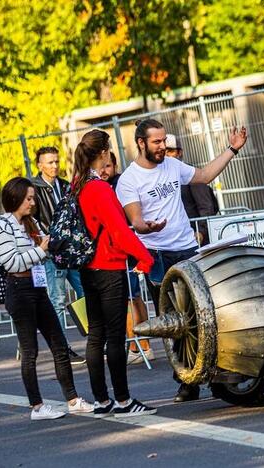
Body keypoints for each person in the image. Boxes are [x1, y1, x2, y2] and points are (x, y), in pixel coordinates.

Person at [116, 118, 247, 402]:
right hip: (157, 255)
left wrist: (232, 150)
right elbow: (135, 219)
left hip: (187, 248)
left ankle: (214, 376)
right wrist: (146, 226)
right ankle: (187, 381)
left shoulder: (172, 166)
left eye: (165, 141)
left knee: (204, 314)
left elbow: (203, 175)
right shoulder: (129, 180)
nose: (163, 147)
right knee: (173, 322)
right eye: (157, 142)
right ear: (141, 143)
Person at [0, 177, 94, 420]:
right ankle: (36, 406)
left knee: (59, 344)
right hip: (18, 288)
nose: (32, 202)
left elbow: (43, 248)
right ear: (15, 199)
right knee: (30, 351)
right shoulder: (2, 226)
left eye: (33, 197)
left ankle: (73, 399)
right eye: (28, 198)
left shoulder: (31, 222)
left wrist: (50, 246)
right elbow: (11, 262)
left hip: (37, 287)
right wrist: (41, 250)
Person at [72, 129, 157, 418]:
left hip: (87, 267)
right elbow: (119, 231)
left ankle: (101, 400)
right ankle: (123, 400)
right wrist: (144, 257)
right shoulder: (99, 189)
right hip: (108, 267)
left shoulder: (78, 185)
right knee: (115, 336)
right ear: (104, 153)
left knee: (95, 335)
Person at [30, 146, 85, 365]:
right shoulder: (34, 188)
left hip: (72, 250)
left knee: (85, 291)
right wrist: (44, 243)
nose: (54, 165)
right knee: (57, 299)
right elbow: (32, 220)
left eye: (56, 161)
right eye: (49, 162)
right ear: (40, 165)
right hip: (52, 253)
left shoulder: (65, 185)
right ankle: (62, 348)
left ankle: (96, 339)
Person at [102, 151, 153, 364]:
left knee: (131, 297)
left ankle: (137, 346)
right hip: (127, 246)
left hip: (126, 246)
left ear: (115, 166)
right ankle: (142, 345)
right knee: (134, 296)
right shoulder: (112, 185)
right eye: (101, 167)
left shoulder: (118, 185)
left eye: (107, 166)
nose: (104, 171)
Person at [165, 134, 220, 246]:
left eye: (170, 151)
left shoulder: (190, 173)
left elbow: (206, 206)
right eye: (164, 151)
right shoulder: (163, 177)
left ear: (179, 153)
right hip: (173, 241)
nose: (166, 154)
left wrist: (201, 231)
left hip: (195, 239)